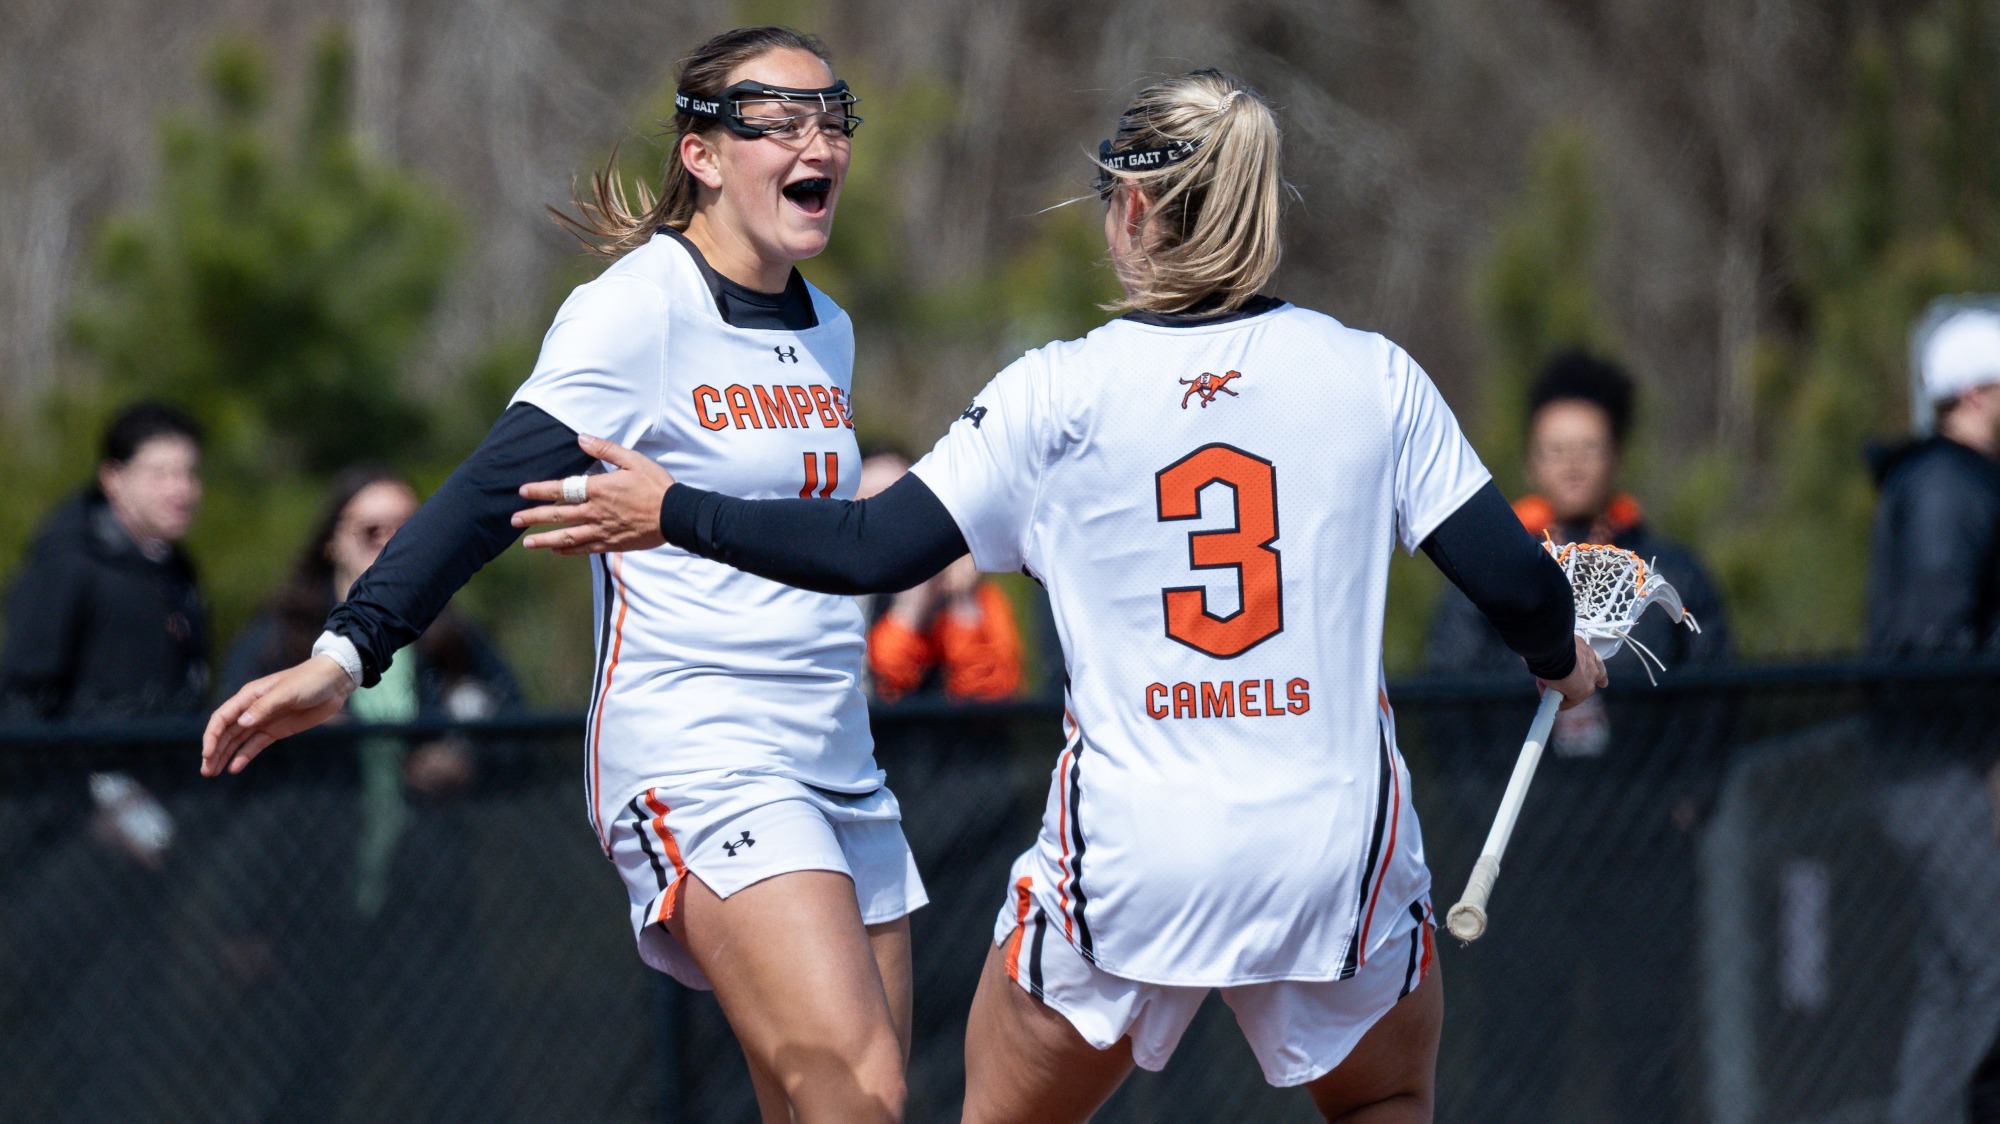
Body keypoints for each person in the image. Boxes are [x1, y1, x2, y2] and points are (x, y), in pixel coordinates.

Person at [514, 68, 1605, 1122]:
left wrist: (676, 511)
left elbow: (868, 548)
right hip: (1328, 855)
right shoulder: (1369, 373)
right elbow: (1514, 581)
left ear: (1130, 208)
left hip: (1130, 861)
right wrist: (1561, 659)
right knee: (1382, 1096)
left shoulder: (1058, 390)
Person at [202, 27, 922, 1123]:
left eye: (831, 117)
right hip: (704, 751)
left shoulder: (828, 327)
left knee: (840, 1098)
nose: (815, 139)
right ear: (703, 153)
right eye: (777, 119)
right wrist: (343, 654)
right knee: (854, 1084)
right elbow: (488, 492)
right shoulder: (640, 306)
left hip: (837, 753)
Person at [1867, 301, 2000, 1124]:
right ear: (1979, 393)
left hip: (1939, 767)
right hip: (1938, 769)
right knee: (1988, 970)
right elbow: (1933, 647)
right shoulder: (1950, 488)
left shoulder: (1954, 485)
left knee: (1956, 976)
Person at [1425, 350, 1730, 691]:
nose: (1571, 466)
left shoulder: (1672, 574)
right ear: (1530, 461)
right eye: (1555, 450)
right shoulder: (1489, 572)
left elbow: (1711, 690)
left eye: (1588, 449)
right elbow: (1450, 683)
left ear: (1617, 456)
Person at [1, 400, 209, 723]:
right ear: (113, 478)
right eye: (161, 473)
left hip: (164, 768)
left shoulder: (177, 570)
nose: (181, 489)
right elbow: (22, 698)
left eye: (189, 473)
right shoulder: (66, 565)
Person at [855, 450, 1024, 703]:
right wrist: (910, 614)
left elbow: (994, 698)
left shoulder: (976, 596)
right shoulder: (837, 594)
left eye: (899, 501)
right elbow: (878, 691)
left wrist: (962, 604)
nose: (888, 519)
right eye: (871, 502)